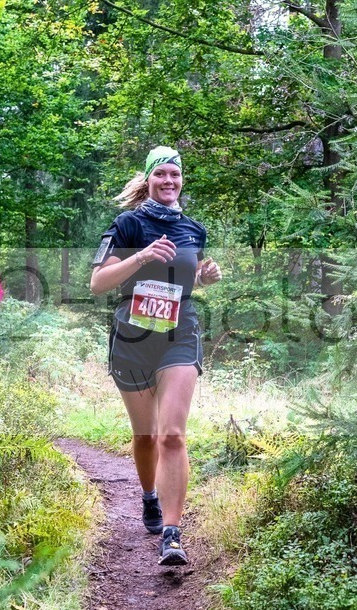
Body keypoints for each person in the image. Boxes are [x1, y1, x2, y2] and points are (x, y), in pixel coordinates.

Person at [90, 146, 222, 566]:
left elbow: (187, 280)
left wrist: (205, 277)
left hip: (180, 333)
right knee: (146, 435)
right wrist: (142, 256)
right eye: (161, 174)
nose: (169, 181)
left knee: (172, 434)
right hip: (134, 336)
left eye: (175, 175)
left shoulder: (194, 230)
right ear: (148, 179)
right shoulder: (127, 224)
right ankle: (148, 496)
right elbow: (97, 283)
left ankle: (172, 533)